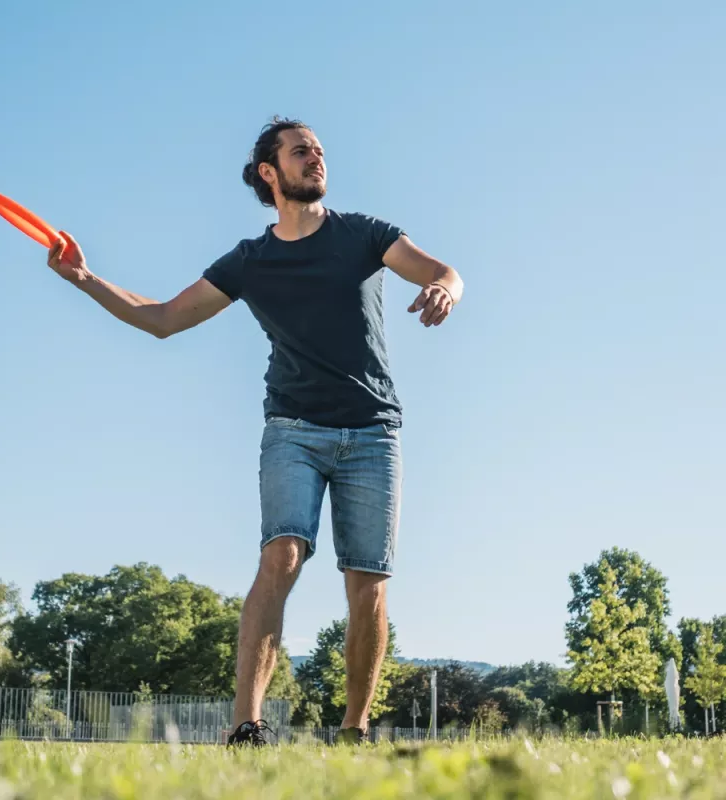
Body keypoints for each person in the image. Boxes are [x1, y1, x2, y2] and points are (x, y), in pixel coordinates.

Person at [46, 116, 464, 747]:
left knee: (367, 584)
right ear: (269, 172)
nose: (315, 158)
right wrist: (84, 277)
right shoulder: (250, 261)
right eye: (300, 151)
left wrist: (443, 289)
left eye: (319, 150)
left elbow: (444, 270)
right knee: (281, 556)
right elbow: (162, 318)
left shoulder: (364, 234)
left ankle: (352, 731)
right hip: (293, 430)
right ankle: (246, 725)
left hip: (374, 433)